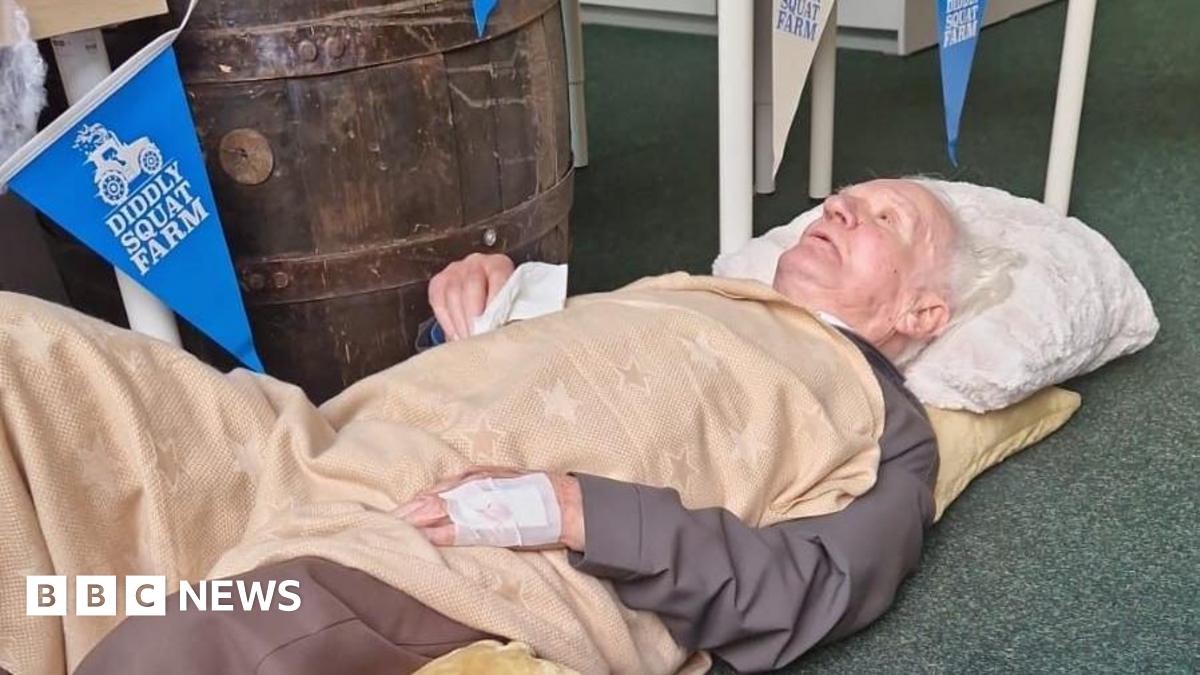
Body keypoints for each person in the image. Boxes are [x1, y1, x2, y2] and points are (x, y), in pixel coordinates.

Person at [76, 179, 961, 674]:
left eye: (889, 217)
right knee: (37, 365)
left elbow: (806, 587)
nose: (843, 207)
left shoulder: (886, 422)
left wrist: (574, 509)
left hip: (435, 543)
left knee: (195, 633)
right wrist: (470, 313)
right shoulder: (680, 288)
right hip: (322, 439)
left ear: (924, 311)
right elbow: (528, 376)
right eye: (845, 199)